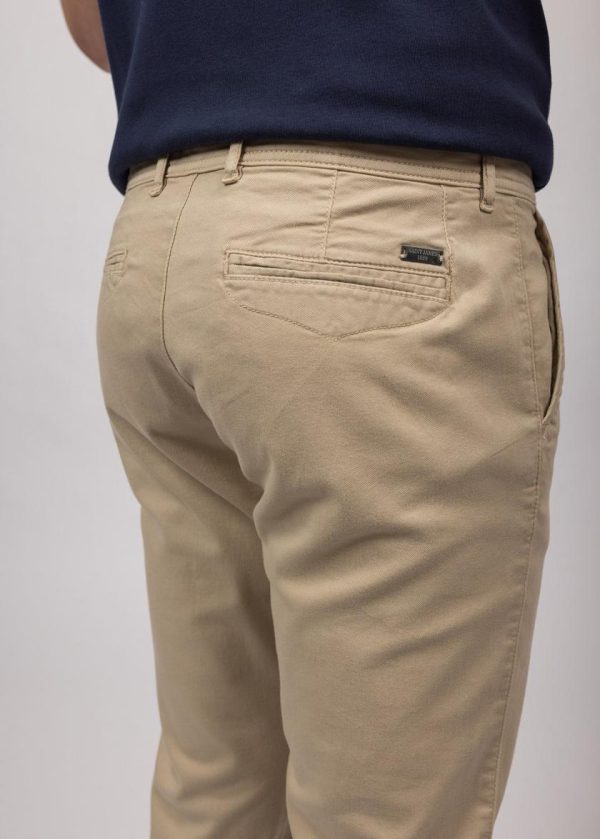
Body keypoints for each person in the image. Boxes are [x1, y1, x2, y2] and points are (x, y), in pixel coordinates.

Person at [61, 2, 564, 837]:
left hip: (163, 239)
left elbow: (92, 29)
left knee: (217, 790)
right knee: (382, 815)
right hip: (376, 240)